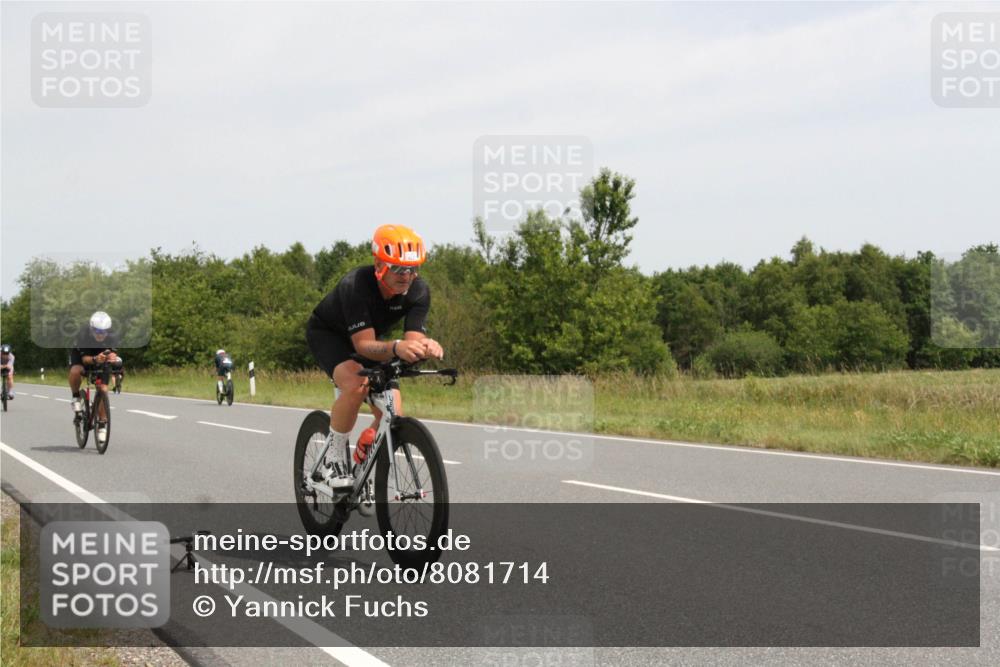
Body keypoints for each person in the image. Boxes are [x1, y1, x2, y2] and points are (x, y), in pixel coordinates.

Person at [306, 224, 444, 489]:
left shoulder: (418, 291)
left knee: (393, 414)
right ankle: (333, 460)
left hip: (371, 341)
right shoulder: (356, 284)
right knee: (356, 385)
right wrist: (396, 347)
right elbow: (362, 345)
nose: (407, 276)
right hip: (330, 335)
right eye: (398, 269)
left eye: (413, 268)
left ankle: (359, 463)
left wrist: (426, 347)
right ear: (380, 264)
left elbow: (410, 345)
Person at [69, 311, 122, 445]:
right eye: (97, 331)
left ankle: (102, 424)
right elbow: (85, 360)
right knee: (76, 371)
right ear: (91, 329)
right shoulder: (82, 334)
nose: (100, 334)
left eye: (103, 332)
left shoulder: (113, 335)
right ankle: (76, 397)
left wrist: (112, 357)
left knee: (103, 389)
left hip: (101, 355)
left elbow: (114, 353)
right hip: (83, 356)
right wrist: (94, 359)